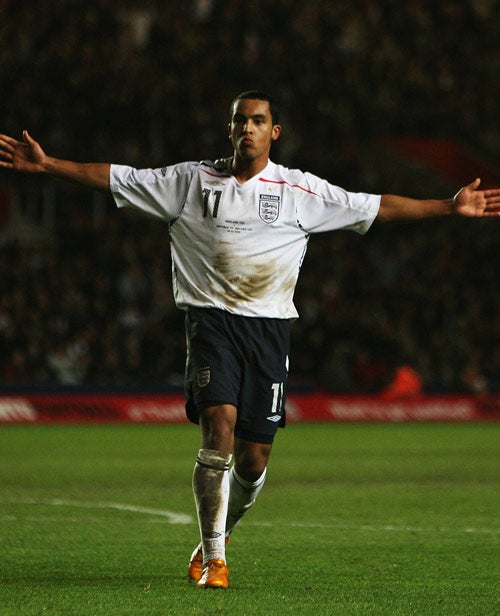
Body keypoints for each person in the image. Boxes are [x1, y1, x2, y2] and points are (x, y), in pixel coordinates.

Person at [1, 91, 499, 589]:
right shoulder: (190, 181)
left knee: (255, 457)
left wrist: (448, 206)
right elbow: (115, 176)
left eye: (258, 121)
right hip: (211, 323)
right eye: (240, 120)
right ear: (230, 128)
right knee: (219, 426)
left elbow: (376, 207)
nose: (248, 128)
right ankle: (215, 559)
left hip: (269, 330)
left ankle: (217, 535)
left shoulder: (299, 191)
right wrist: (49, 167)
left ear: (273, 132)